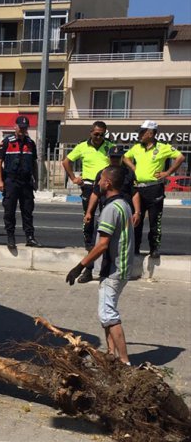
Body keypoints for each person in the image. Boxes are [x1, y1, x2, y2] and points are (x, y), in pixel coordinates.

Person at [66, 165, 134, 365]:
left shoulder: (111, 209)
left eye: (100, 179)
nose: (97, 183)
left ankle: (124, 362)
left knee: (108, 313)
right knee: (106, 312)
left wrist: (80, 266)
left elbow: (103, 245)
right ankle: (111, 355)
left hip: (114, 269)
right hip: (120, 267)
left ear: (108, 183)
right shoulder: (124, 203)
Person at [77, 146, 141, 283]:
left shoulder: (128, 173)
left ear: (122, 158)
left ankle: (117, 271)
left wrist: (137, 211)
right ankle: (89, 270)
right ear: (109, 157)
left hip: (123, 213)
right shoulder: (103, 173)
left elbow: (135, 193)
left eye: (117, 157)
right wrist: (89, 212)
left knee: (120, 243)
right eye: (113, 157)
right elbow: (95, 193)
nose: (115, 160)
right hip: (107, 212)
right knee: (97, 242)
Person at [123, 121, 184, 258]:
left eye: (142, 132)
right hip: (138, 189)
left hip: (154, 188)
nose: (139, 134)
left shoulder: (163, 147)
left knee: (154, 221)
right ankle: (135, 248)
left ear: (150, 133)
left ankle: (154, 248)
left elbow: (180, 157)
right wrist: (133, 168)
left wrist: (167, 173)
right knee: (136, 219)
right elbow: (125, 157)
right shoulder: (137, 147)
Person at [62, 121, 114, 253]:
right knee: (88, 214)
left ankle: (102, 241)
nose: (98, 137)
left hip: (105, 186)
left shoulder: (109, 146)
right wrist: (74, 178)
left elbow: (121, 161)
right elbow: (66, 161)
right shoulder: (82, 146)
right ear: (91, 132)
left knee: (105, 215)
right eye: (96, 134)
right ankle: (88, 242)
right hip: (89, 186)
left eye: (102, 135)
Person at [0, 115, 40, 249]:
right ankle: (10, 236)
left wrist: (36, 180)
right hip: (11, 180)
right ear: (15, 127)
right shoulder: (7, 141)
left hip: (26, 181)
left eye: (25, 128)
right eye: (20, 127)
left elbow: (34, 163)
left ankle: (30, 237)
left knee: (27, 210)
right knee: (9, 210)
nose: (22, 130)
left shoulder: (30, 143)